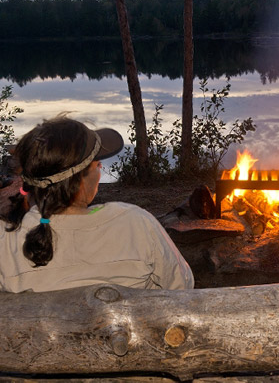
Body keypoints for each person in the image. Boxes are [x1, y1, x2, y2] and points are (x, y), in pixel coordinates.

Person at [0, 116, 194, 292]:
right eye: (98, 165)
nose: (100, 170)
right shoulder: (135, 224)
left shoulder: (6, 239)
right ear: (81, 179)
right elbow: (181, 288)